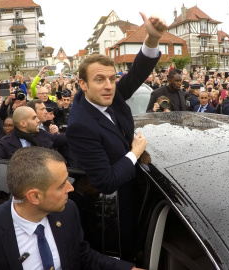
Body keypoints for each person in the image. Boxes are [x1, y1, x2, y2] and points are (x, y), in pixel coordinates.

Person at [66, 12, 166, 260]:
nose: (109, 85)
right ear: (83, 84)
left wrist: (152, 39)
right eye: (99, 79)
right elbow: (106, 181)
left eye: (112, 79)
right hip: (111, 209)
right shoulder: (81, 126)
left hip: (133, 191)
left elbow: (135, 74)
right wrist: (135, 152)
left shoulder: (110, 95)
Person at [0, 147, 142, 270]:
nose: (71, 188)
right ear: (35, 196)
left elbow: (82, 254)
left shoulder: (69, 211)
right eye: (62, 185)